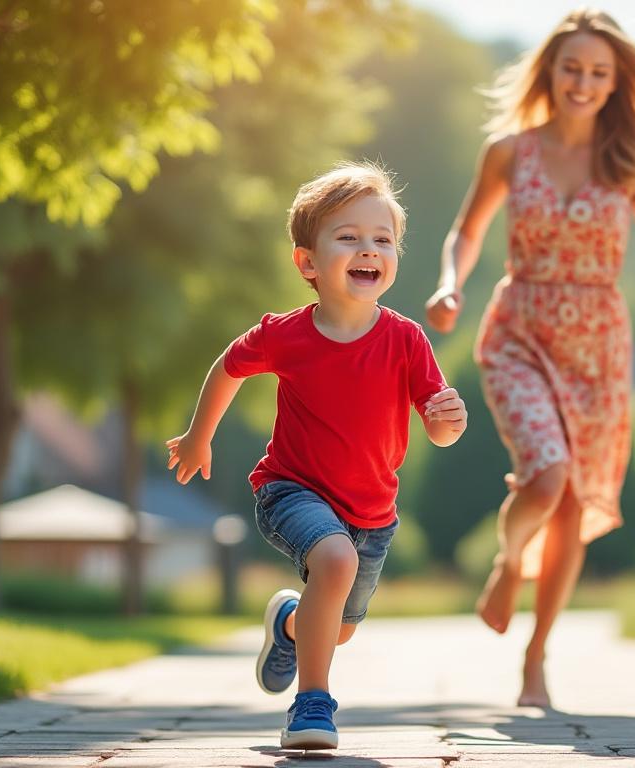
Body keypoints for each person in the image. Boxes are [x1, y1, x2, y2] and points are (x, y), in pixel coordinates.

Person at [424, 7, 635, 708]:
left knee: (575, 506)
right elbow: (466, 229)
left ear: (615, 83)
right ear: (549, 70)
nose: (583, 82)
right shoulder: (510, 152)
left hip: (599, 350)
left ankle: (536, 658)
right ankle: (510, 559)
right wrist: (450, 284)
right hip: (520, 331)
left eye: (598, 72)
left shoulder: (633, 161)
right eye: (571, 67)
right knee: (546, 478)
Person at [169, 161, 467, 750]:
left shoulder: (406, 340)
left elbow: (439, 428)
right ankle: (312, 707)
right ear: (307, 262)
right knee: (334, 563)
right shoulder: (287, 335)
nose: (369, 249)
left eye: (383, 239)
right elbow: (229, 366)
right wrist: (200, 434)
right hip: (290, 489)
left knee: (339, 628)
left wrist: (447, 423)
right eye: (348, 236)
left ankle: (287, 623)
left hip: (373, 513)